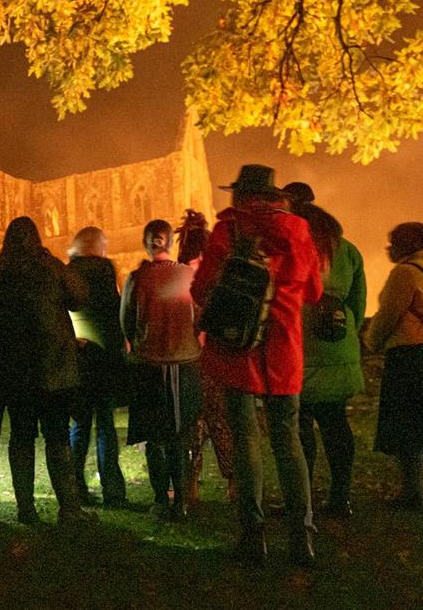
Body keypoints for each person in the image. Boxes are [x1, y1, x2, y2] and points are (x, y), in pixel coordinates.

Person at [192, 165, 324, 567]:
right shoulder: (299, 229)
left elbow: (200, 289)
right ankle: (302, 539)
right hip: (283, 346)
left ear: (240, 194)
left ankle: (253, 536)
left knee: (246, 438)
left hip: (238, 346)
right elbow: (315, 292)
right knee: (288, 440)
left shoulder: (229, 229)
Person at [0, 216, 95, 526]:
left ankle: (26, 508)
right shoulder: (49, 268)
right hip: (51, 368)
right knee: (57, 437)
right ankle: (69, 509)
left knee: (22, 437)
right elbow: (79, 295)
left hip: (14, 371)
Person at [365, 223, 423, 512]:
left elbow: (390, 313)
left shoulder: (403, 273)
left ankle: (412, 492)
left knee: (407, 427)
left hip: (408, 355)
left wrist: (372, 341)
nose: (388, 248)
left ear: (403, 245)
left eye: (392, 242)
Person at [286, 185, 367, 518]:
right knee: (336, 423)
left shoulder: (291, 244)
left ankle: (301, 499)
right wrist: (346, 333)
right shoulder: (347, 249)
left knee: (299, 426)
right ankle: (340, 495)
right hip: (337, 343)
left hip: (298, 344)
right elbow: (358, 304)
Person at [122, 219, 202, 520]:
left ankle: (160, 499)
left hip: (150, 365)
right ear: (170, 242)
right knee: (181, 436)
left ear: (147, 243)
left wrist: (138, 341)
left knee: (155, 437)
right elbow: (200, 316)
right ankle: (181, 500)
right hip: (185, 364)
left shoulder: (136, 278)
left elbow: (126, 321)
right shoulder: (189, 275)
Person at [66, 226, 128, 509]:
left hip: (79, 359)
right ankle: (112, 491)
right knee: (105, 426)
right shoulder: (104, 270)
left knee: (79, 425)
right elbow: (114, 313)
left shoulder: (68, 272)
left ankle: (75, 486)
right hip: (103, 360)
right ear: (98, 246)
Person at [176, 209, 235, 505]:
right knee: (221, 422)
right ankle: (234, 483)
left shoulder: (182, 275)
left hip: (192, 360)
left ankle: (191, 487)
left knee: (193, 425)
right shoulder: (216, 275)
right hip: (215, 359)